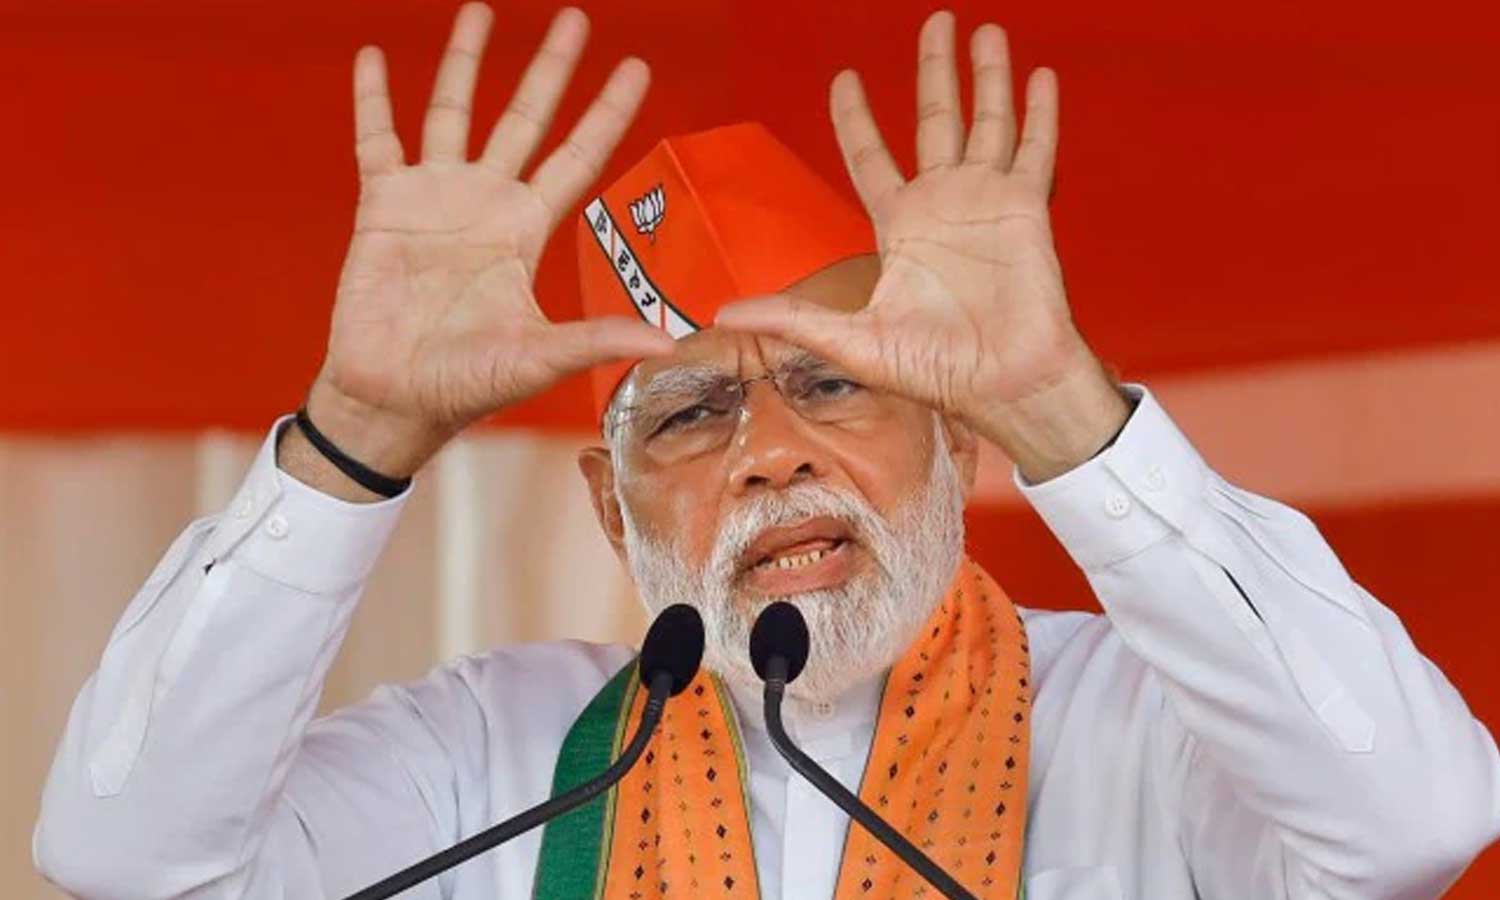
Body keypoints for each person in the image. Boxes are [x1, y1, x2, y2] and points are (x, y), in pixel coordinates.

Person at [33, 3, 1500, 898]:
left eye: (832, 385)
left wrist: (1062, 404)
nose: (773, 457)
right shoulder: (499, 760)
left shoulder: (1145, 724)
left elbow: (1419, 824)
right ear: (612, 512)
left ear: (958, 444)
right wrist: (357, 435)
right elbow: (126, 857)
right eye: (690, 414)